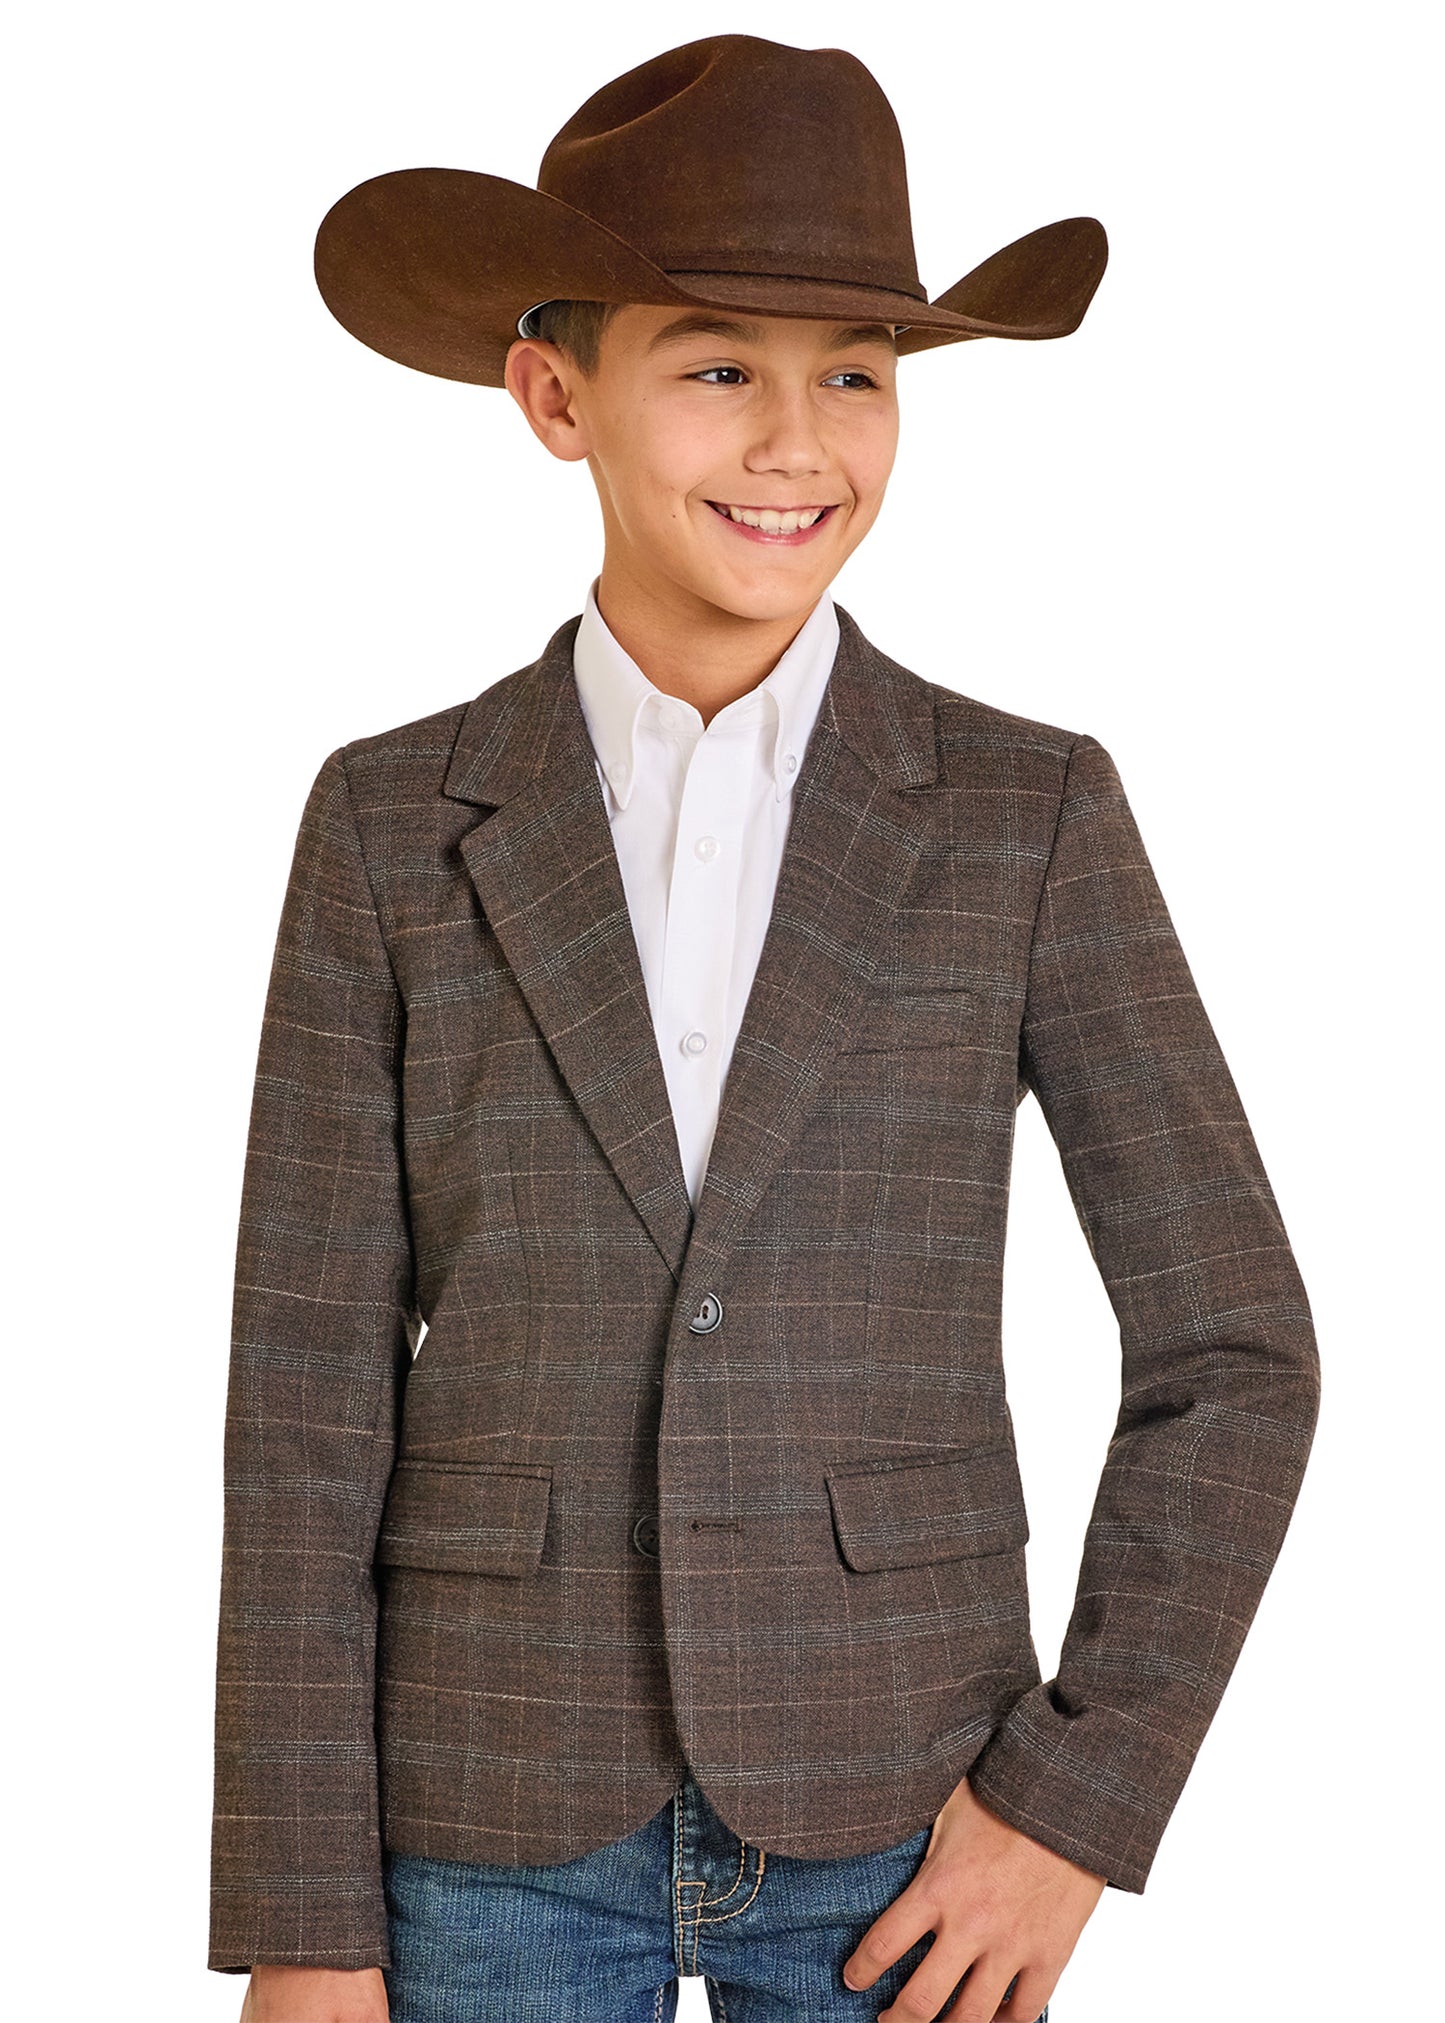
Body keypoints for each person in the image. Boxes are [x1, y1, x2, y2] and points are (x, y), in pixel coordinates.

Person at [209, 34, 1320, 2023]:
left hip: (909, 1816)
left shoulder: (1025, 812)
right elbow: (303, 1402)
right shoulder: (388, 825)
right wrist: (302, 1916)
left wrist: (1074, 1808)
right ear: (556, 396)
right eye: (719, 368)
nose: (799, 442)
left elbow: (1234, 1349)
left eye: (858, 375)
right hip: (483, 1815)